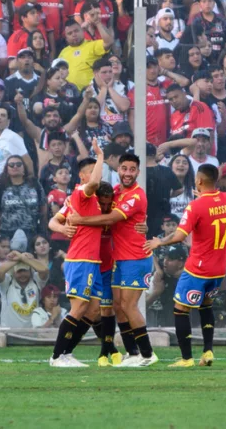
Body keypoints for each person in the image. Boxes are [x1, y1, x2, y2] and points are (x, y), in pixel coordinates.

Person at [143, 163, 226, 368]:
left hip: (198, 269)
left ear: (198, 181)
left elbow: (180, 235)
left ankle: (186, 358)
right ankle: (207, 351)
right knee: (206, 307)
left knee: (181, 308)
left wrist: (159, 242)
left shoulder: (195, 206)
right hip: (218, 270)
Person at [66, 153, 157, 367]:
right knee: (118, 306)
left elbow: (111, 218)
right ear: (118, 170)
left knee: (129, 305)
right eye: (124, 168)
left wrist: (80, 220)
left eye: (132, 169)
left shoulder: (136, 196)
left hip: (136, 257)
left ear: (138, 172)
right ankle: (133, 353)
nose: (127, 173)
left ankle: (147, 354)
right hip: (120, 259)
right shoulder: (115, 192)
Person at [46, 144, 107, 368]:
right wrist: (100, 155)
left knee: (92, 310)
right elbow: (93, 183)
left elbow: (53, 221)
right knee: (79, 307)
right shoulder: (82, 193)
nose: (96, 176)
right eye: (92, 171)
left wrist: (61, 229)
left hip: (92, 260)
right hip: (81, 259)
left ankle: (67, 353)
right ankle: (56, 356)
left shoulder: (84, 200)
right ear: (82, 176)